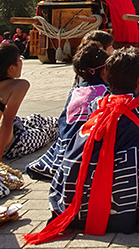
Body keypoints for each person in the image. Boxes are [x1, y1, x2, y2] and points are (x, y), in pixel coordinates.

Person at [24, 47, 139, 244]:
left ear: (107, 76)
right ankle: (138, 207)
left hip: (75, 207)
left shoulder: (98, 103)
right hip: (120, 214)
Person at [26, 41, 111, 180]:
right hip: (88, 150)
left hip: (66, 149)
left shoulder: (75, 91)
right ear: (104, 70)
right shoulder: (108, 93)